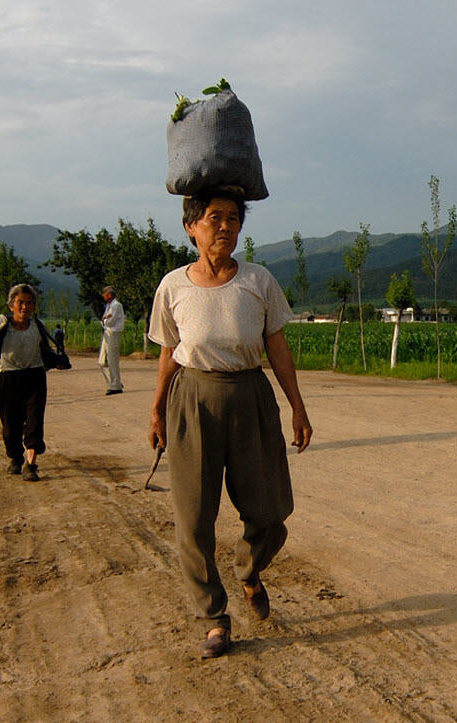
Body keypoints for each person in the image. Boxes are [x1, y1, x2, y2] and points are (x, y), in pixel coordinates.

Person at [148, 187, 312, 659]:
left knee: (270, 511)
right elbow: (167, 353)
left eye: (234, 218)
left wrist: (297, 406)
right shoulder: (173, 285)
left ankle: (248, 567)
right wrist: (158, 409)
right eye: (215, 217)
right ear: (190, 227)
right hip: (192, 399)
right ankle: (213, 618)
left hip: (250, 396)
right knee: (194, 519)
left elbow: (277, 348)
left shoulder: (259, 281)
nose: (226, 226)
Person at [0, 284, 51, 482]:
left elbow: (46, 350)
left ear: (34, 306)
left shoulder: (38, 326)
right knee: (10, 425)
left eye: (29, 303)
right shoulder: (2, 325)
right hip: (9, 377)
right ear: (11, 306)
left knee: (34, 421)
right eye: (20, 303)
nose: (25, 307)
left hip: (35, 377)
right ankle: (15, 457)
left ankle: (30, 464)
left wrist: (57, 361)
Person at [99, 285, 124, 395]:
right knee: (102, 361)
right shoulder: (109, 306)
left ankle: (115, 386)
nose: (103, 297)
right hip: (107, 333)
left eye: (104, 295)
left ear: (109, 295)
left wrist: (105, 320)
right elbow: (104, 319)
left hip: (113, 333)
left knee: (112, 359)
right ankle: (115, 381)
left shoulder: (116, 306)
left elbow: (110, 321)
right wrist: (105, 320)